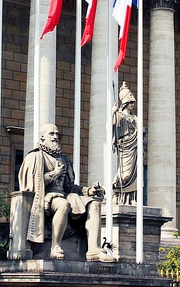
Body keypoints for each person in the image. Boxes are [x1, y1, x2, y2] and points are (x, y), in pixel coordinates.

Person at [18, 124, 115, 262]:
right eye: (51, 134)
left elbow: (69, 186)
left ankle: (93, 250)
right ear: (42, 137)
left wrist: (89, 191)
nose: (55, 137)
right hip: (45, 197)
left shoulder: (63, 159)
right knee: (63, 205)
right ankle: (55, 247)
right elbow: (32, 183)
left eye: (57, 134)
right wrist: (55, 174)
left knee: (94, 204)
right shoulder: (35, 157)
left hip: (65, 195)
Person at [112, 82, 139, 205]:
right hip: (125, 146)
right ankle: (117, 193)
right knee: (125, 174)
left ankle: (132, 198)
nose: (133, 104)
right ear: (125, 103)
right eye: (131, 102)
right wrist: (112, 113)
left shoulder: (135, 117)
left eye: (133, 102)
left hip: (134, 146)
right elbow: (111, 126)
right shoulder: (119, 115)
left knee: (135, 173)